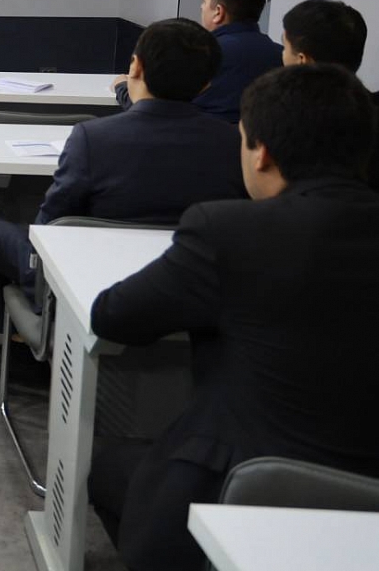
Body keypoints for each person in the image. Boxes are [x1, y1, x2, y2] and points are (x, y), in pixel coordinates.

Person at [87, 64, 379, 571]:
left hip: (240, 485)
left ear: (260, 152)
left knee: (110, 469)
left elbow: (114, 316)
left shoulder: (228, 231)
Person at [0, 19, 246, 383]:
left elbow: (49, 226)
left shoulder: (94, 137)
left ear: (135, 67)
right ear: (206, 84)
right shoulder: (234, 143)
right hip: (187, 283)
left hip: (91, 278)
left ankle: (21, 351)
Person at [113, 0, 281, 122]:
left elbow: (153, 111)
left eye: (204, 1)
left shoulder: (196, 55)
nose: (201, 6)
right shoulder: (281, 56)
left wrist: (122, 88)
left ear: (218, 12)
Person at [280, 0, 378, 188]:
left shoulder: (286, 123)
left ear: (302, 60)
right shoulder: (370, 114)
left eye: (285, 47)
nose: (282, 54)